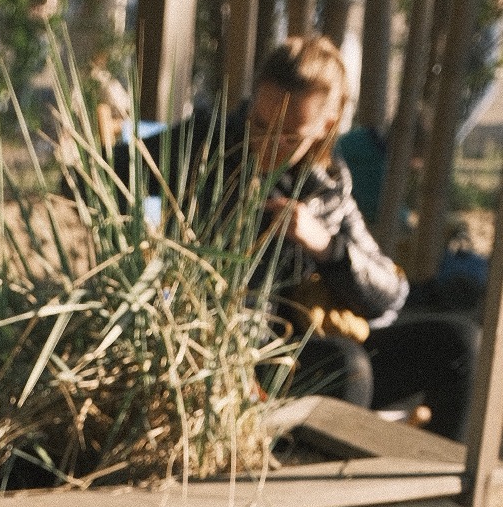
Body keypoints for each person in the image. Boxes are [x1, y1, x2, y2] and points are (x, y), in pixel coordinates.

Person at [126, 35, 479, 443]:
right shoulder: (206, 143)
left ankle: (439, 495)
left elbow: (391, 297)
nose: (267, 146)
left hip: (306, 347)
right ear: (254, 100)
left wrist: (327, 247)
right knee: (345, 368)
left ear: (326, 126)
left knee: (461, 347)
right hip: (231, 355)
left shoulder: (327, 184)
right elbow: (101, 175)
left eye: (290, 136)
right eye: (259, 125)